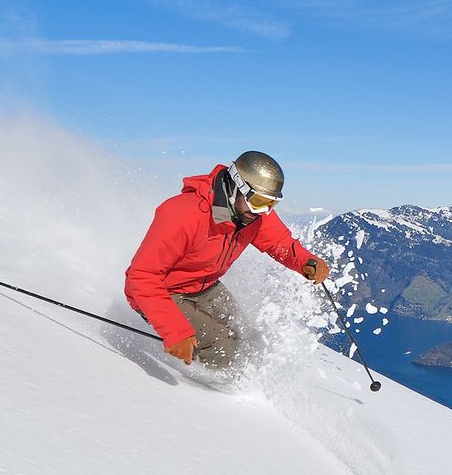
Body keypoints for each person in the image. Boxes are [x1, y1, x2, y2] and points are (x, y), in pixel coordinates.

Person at [124, 150, 330, 369]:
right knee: (224, 347)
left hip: (205, 286)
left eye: (271, 204)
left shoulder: (251, 215)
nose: (262, 211)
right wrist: (174, 330)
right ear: (237, 186)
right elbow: (141, 276)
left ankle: (240, 377)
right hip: (165, 292)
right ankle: (225, 398)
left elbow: (278, 241)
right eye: (258, 201)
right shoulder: (183, 214)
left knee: (247, 335)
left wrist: (305, 261)